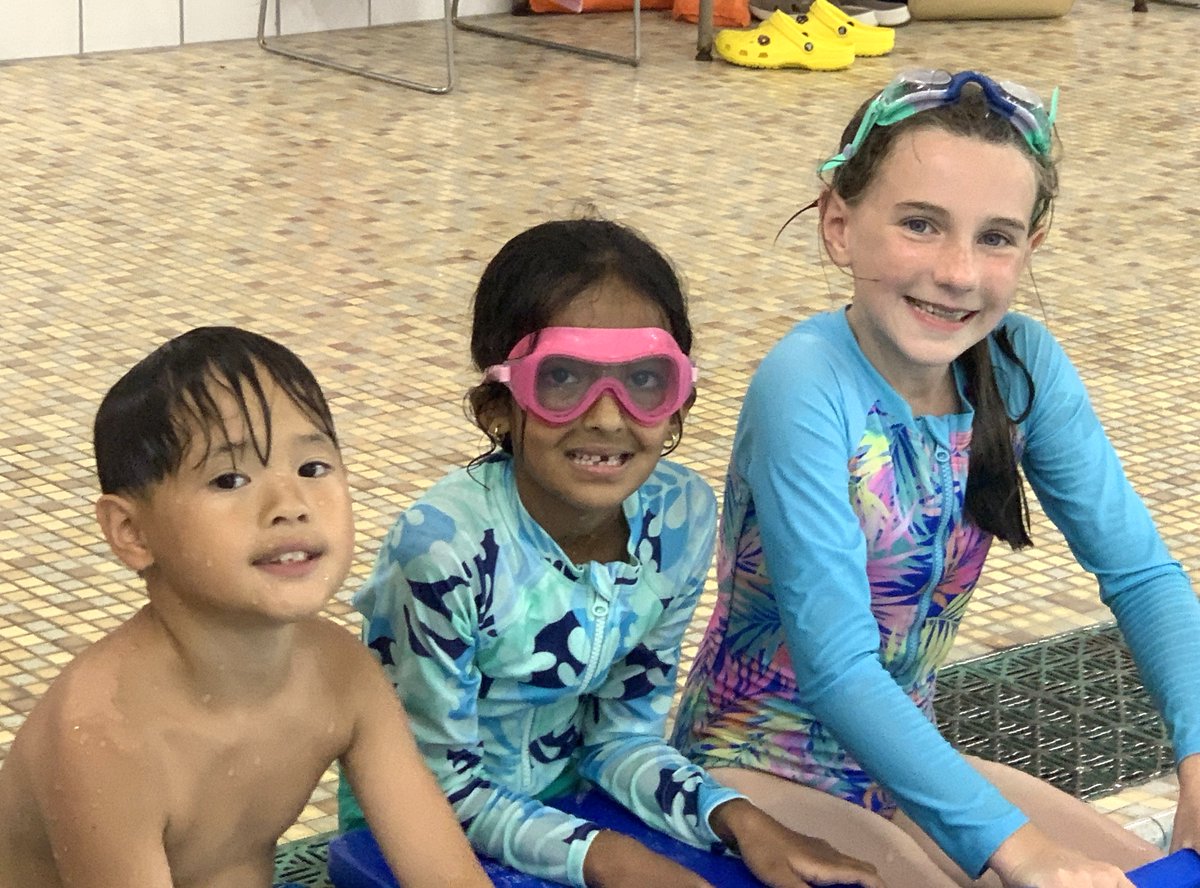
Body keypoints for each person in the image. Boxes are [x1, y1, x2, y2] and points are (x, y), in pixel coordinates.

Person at [671, 69, 1200, 888]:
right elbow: (838, 669)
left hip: (902, 766)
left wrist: (1199, 759)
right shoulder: (806, 385)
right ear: (839, 225)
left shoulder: (1022, 369)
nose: (957, 272)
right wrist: (1022, 855)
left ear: (1033, 244)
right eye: (921, 225)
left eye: (995, 237)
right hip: (752, 766)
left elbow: (1141, 576)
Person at [339, 219, 883, 888]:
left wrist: (740, 821)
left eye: (644, 380)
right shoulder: (443, 551)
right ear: (497, 407)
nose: (606, 416)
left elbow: (622, 737)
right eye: (562, 378)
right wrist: (612, 860)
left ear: (679, 404)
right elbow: (436, 791)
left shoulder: (677, 517)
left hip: (576, 809)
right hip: (413, 840)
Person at [0, 327, 490, 888]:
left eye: (312, 468)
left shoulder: (342, 675)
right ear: (132, 531)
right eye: (229, 478)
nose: (290, 505)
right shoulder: (106, 734)